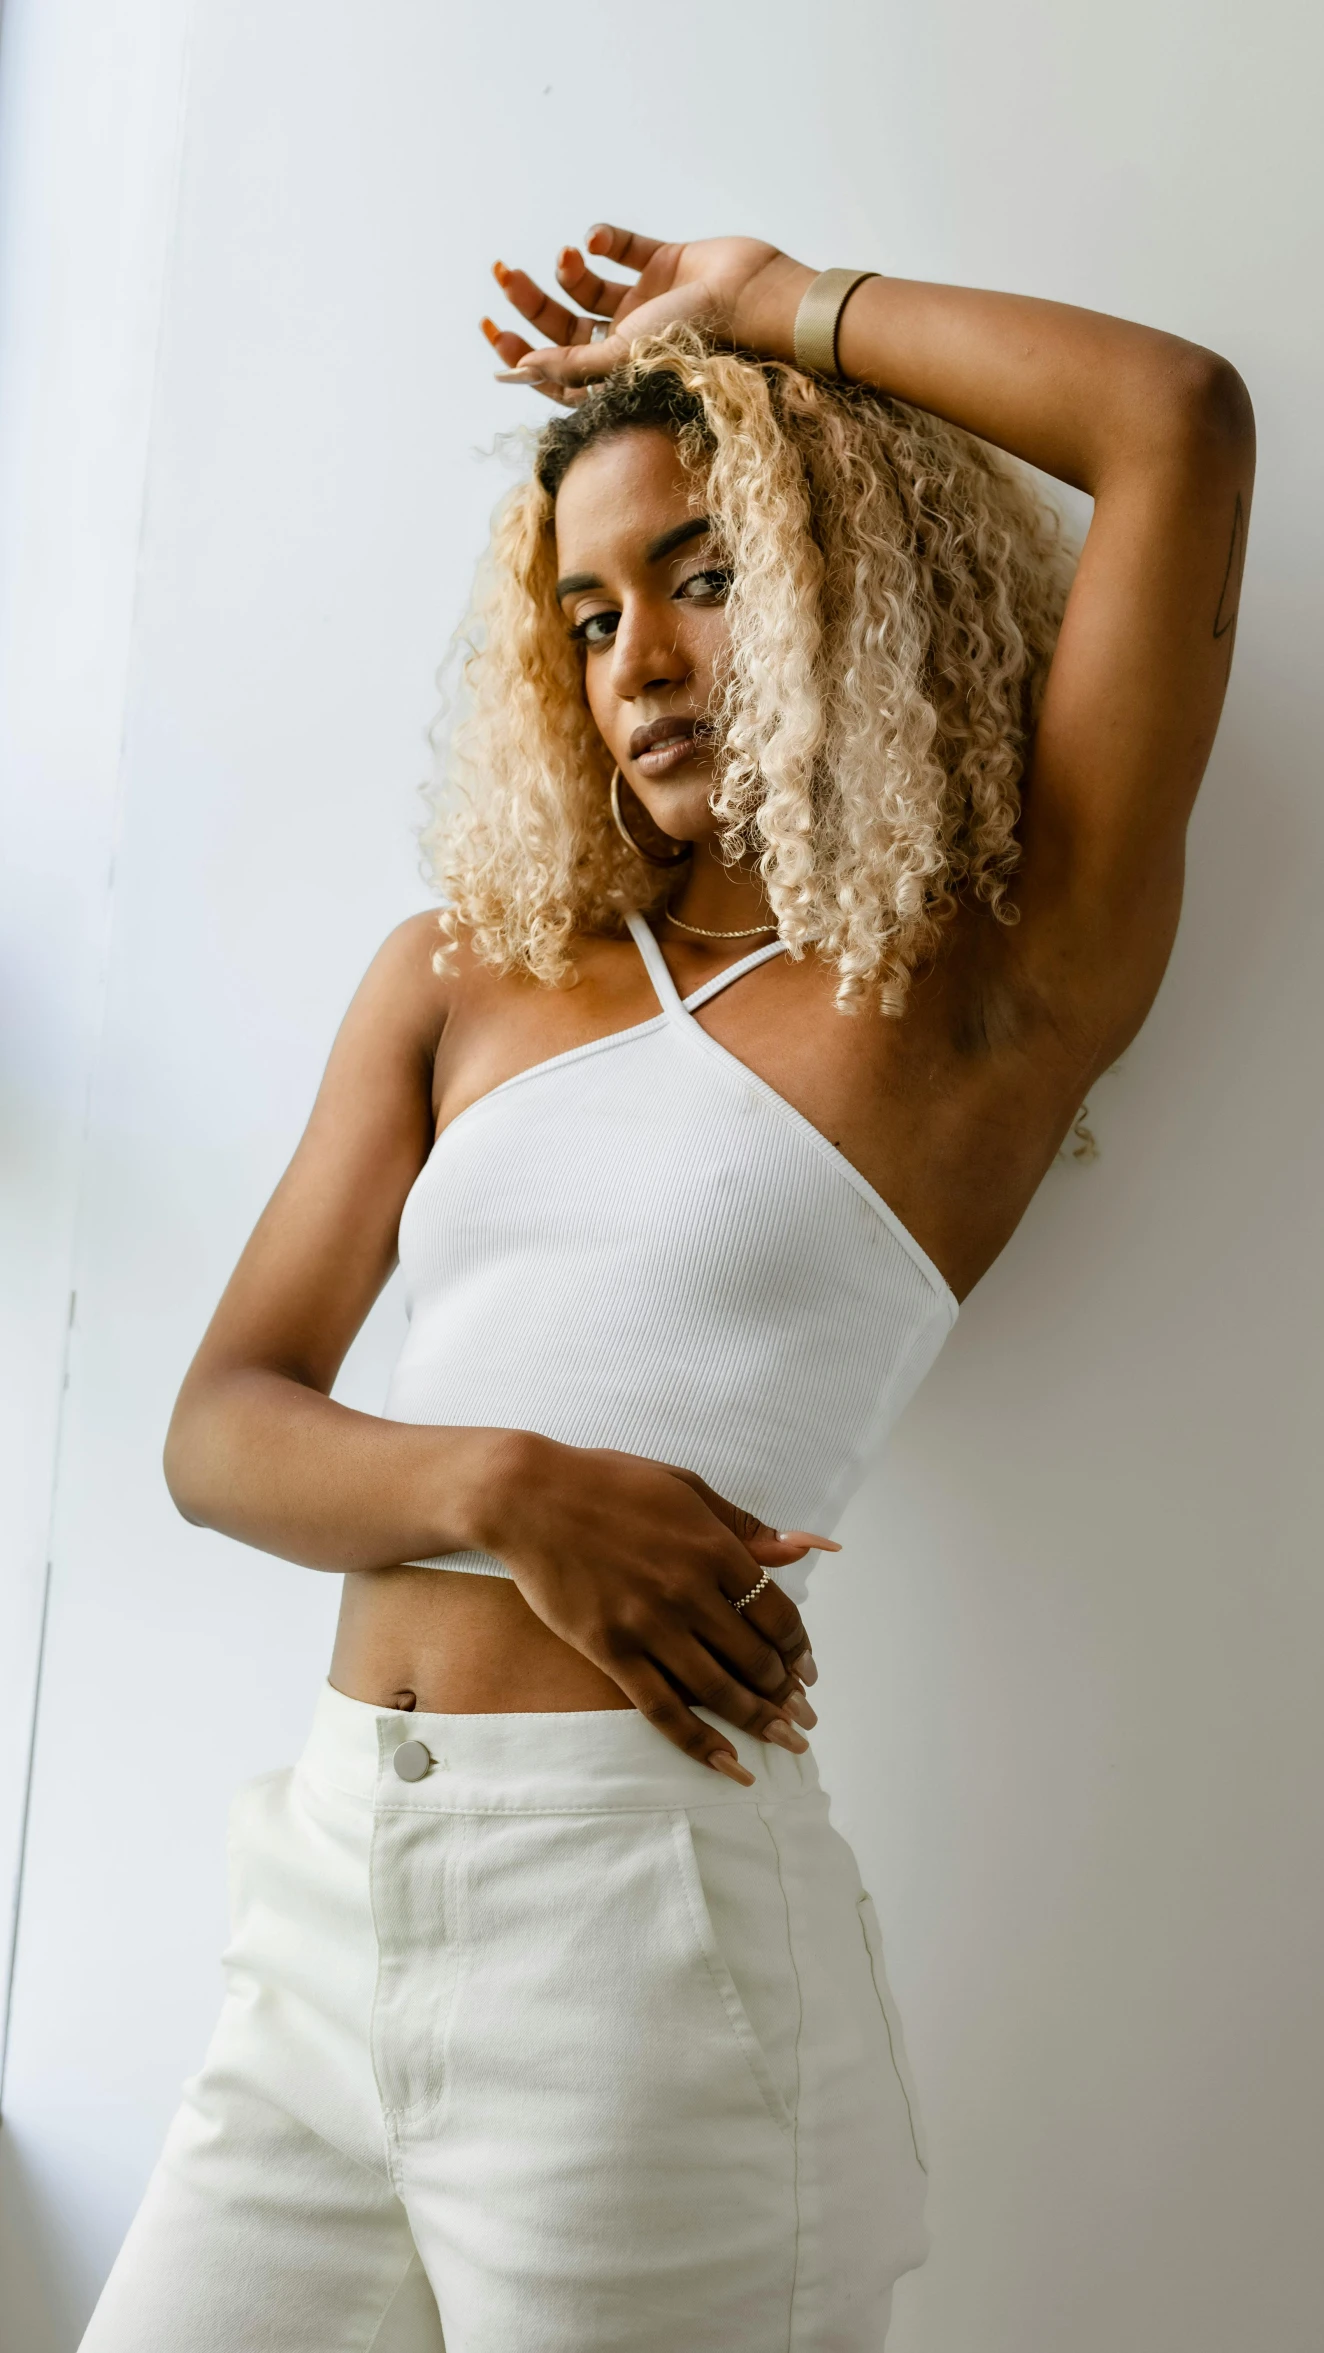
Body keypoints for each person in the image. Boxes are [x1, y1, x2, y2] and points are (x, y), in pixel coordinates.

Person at [81, 223, 1254, 2352]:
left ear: (848, 588)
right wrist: (506, 1487)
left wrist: (772, 305)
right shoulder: (462, 974)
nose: (640, 661)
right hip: (330, 1892)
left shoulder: (979, 986)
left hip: (639, 1942)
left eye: (707, 572)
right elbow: (219, 1427)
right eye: (588, 610)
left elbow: (1172, 420)